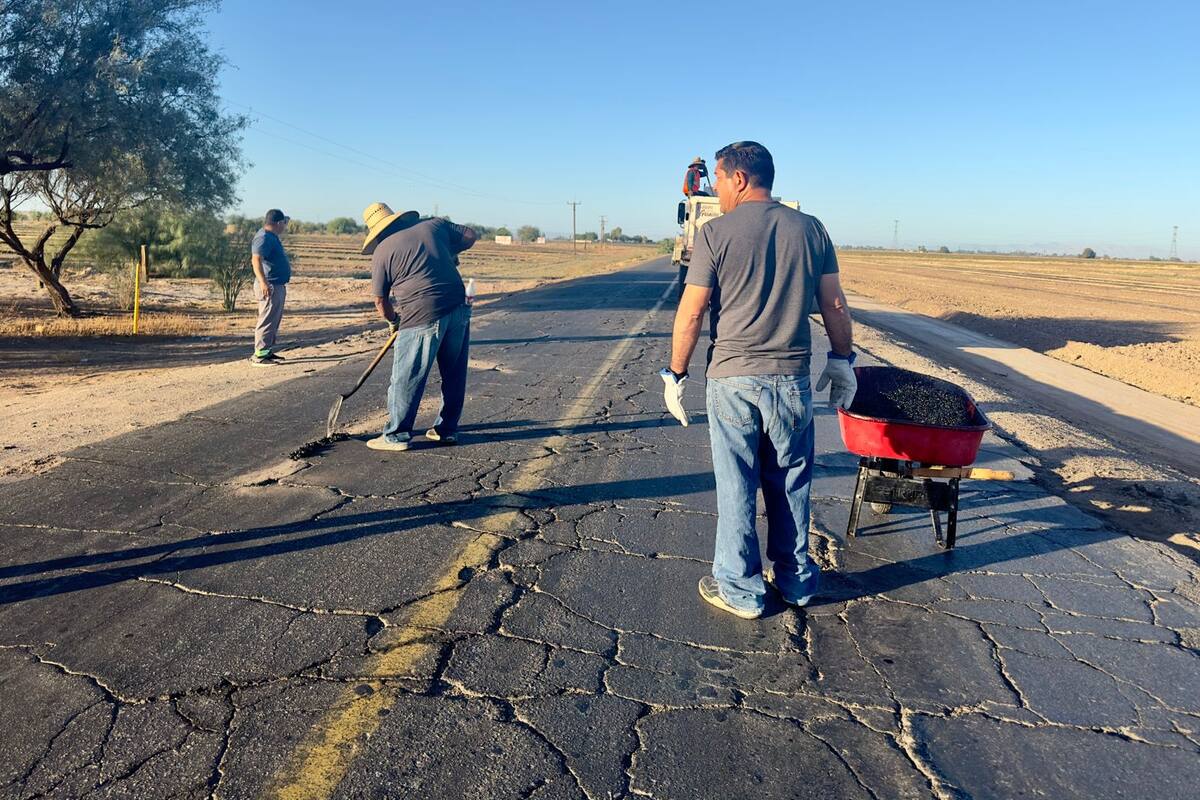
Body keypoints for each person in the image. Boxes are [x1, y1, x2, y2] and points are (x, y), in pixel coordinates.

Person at [661, 141, 857, 619]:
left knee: (737, 484)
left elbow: (692, 311)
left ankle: (741, 590)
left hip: (732, 380)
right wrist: (841, 359)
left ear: (740, 178)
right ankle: (795, 581)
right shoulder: (811, 229)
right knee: (791, 480)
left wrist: (676, 372)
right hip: (791, 379)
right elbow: (833, 303)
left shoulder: (714, 233)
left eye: (720, 180)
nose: (718, 190)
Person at [362, 202, 478, 451]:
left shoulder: (381, 251)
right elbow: (470, 235)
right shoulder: (433, 226)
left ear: (376, 231)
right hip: (459, 307)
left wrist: (393, 321)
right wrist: (447, 249)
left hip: (421, 314)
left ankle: (396, 435)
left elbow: (380, 300)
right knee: (454, 373)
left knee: (407, 375)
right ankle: (447, 430)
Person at [250, 209, 292, 366]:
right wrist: (263, 282)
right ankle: (260, 355)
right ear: (279, 223)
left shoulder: (271, 236)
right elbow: (256, 260)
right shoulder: (263, 237)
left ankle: (266, 351)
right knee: (267, 319)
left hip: (276, 284)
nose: (285, 226)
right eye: (285, 223)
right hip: (269, 285)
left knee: (273, 320)